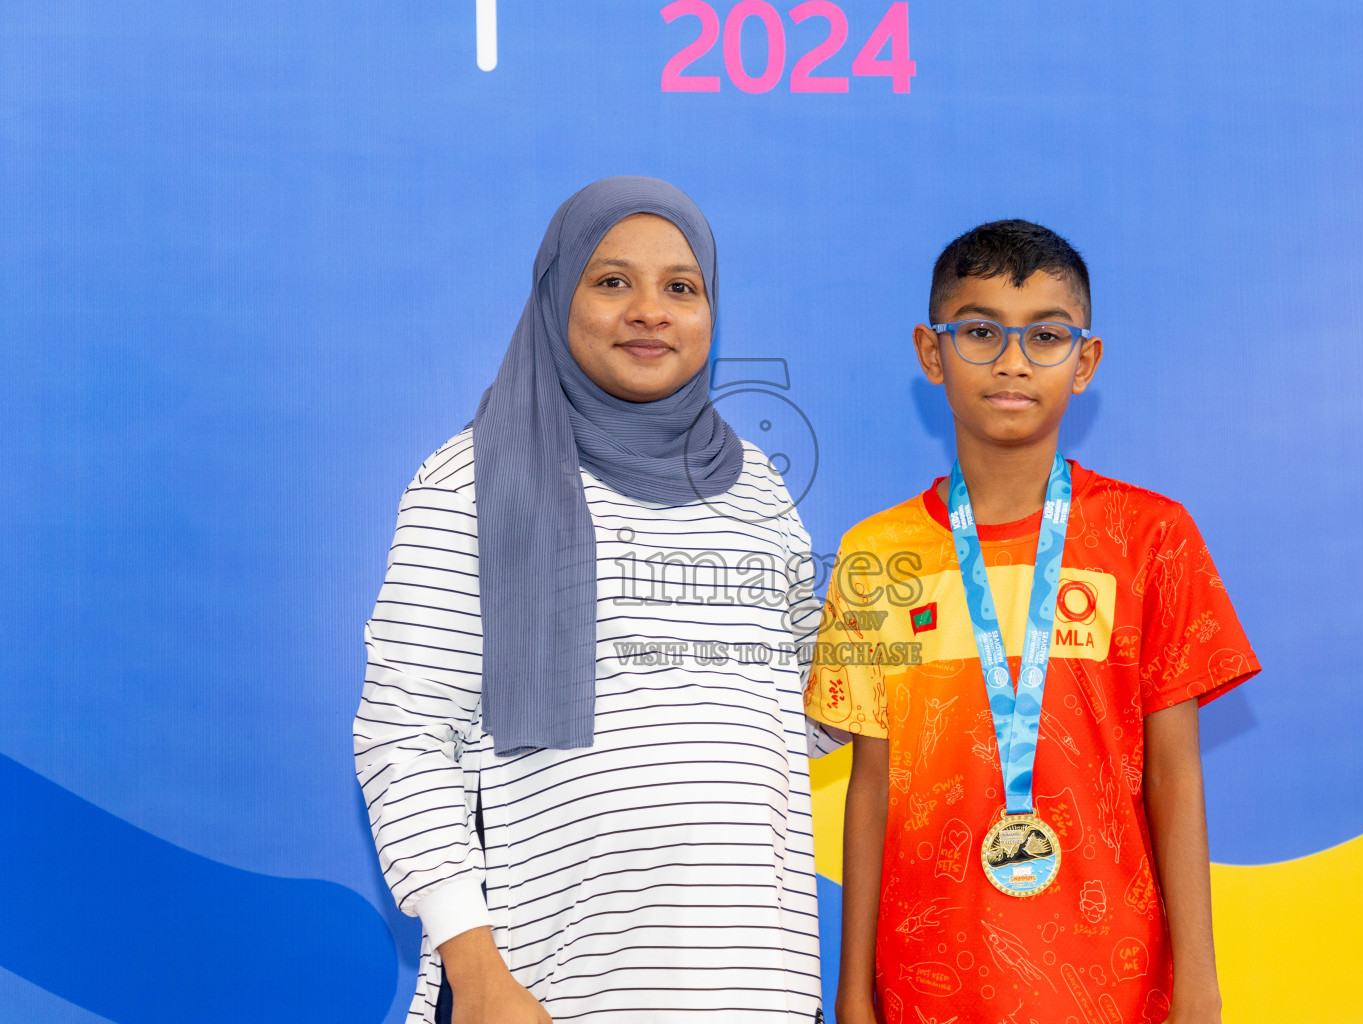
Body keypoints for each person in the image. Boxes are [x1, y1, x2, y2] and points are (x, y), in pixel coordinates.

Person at [355, 177, 836, 1024]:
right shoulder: (471, 481)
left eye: (680, 287)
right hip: (543, 994)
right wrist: (477, 972)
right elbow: (406, 735)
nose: (650, 311)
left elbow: (792, 714)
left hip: (753, 989)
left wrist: (898, 642)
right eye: (613, 281)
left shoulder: (758, 490)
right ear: (554, 297)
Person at [804, 220, 1260, 1024]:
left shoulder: (1150, 537)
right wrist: (853, 994)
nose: (1012, 361)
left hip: (1117, 986)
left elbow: (1175, 776)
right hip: (926, 983)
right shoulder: (878, 554)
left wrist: (1200, 985)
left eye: (1045, 335)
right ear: (930, 351)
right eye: (979, 331)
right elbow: (869, 787)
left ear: (1084, 362)